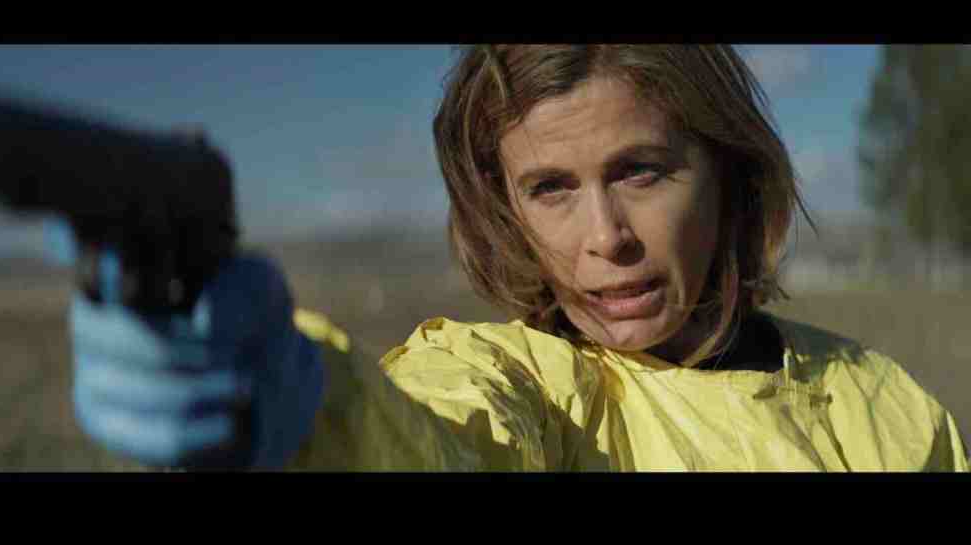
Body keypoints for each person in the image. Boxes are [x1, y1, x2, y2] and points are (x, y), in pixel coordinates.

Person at [63, 45, 969, 471]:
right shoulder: (529, 388)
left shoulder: (879, 401)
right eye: (551, 188)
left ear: (730, 172)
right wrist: (300, 411)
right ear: (505, 207)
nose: (605, 236)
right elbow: (435, 440)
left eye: (640, 171)